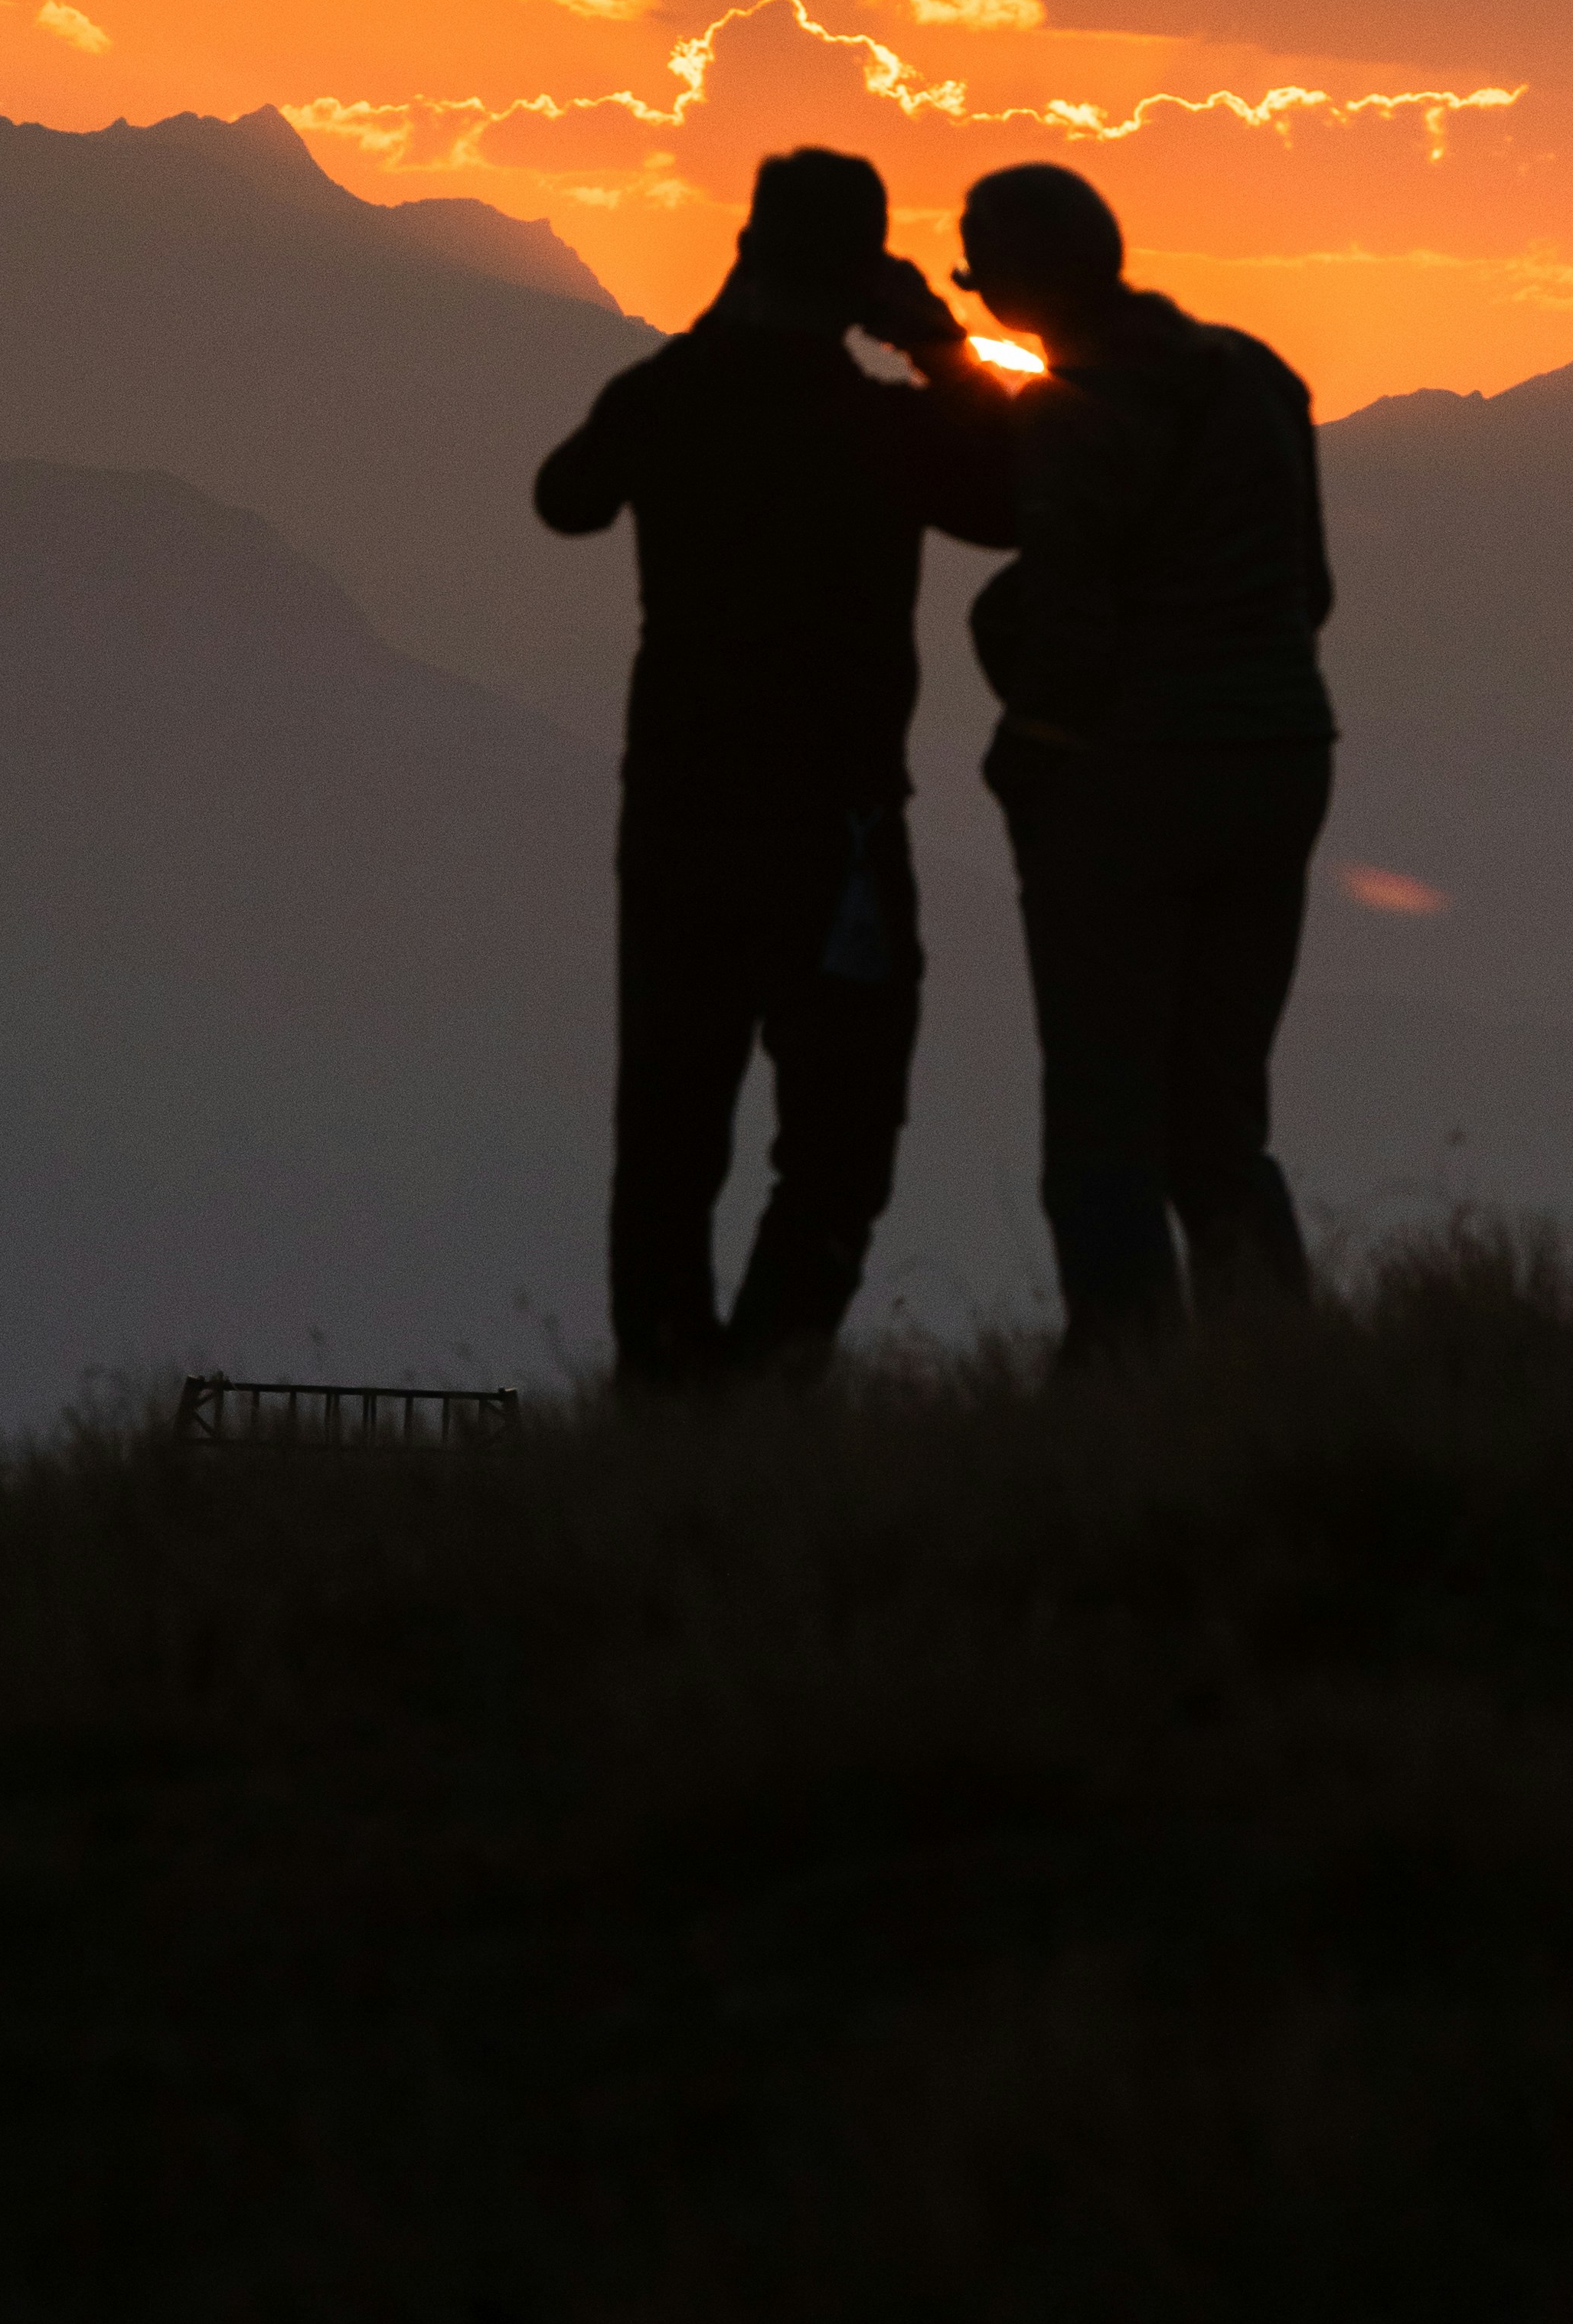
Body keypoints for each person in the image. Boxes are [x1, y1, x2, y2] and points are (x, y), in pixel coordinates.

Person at [534, 146, 1015, 1392]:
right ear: (864, 278)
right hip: (839, 827)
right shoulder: (884, 425)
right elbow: (1020, 495)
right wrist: (942, 344)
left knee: (670, 1126)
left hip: (682, 815)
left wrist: (706, 335)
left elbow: (565, 499)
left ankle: (667, 1390)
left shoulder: (667, 394)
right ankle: (766, 1379)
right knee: (842, 1134)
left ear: (746, 251)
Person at [955, 160, 1336, 1361]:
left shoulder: (1074, 410)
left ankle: (1126, 1383)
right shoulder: (1259, 375)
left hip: (1129, 782)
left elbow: (1070, 615)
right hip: (1281, 760)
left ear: (1016, 284)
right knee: (1219, 1117)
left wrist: (1025, 756)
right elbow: (1311, 590)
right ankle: (1277, 1374)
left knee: (1104, 1111)